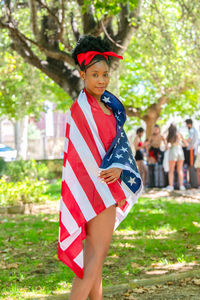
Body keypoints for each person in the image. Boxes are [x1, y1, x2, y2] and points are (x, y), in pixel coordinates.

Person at [58, 35, 143, 300]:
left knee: (97, 262)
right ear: (82, 73)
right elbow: (81, 155)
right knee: (94, 260)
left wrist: (119, 167)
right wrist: (111, 170)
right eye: (95, 74)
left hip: (108, 186)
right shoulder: (80, 109)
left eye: (105, 74)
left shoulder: (110, 105)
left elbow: (118, 147)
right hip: (96, 190)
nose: (102, 80)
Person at [166, 124, 188, 191]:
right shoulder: (179, 134)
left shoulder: (169, 136)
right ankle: (181, 186)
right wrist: (180, 145)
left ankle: (171, 186)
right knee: (180, 170)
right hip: (180, 151)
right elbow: (186, 144)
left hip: (173, 150)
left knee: (171, 171)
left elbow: (167, 146)